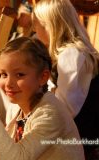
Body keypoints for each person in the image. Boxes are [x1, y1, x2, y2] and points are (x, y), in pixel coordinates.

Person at [0, 37, 85, 160]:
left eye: (19, 75)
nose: (8, 83)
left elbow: (16, 157)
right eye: (4, 74)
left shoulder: (50, 113)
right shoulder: (22, 110)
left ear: (43, 77)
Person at [32, 0, 99, 159]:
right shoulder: (70, 52)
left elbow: (64, 110)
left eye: (36, 24)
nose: (34, 30)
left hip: (83, 144)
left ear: (50, 26)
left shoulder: (71, 54)